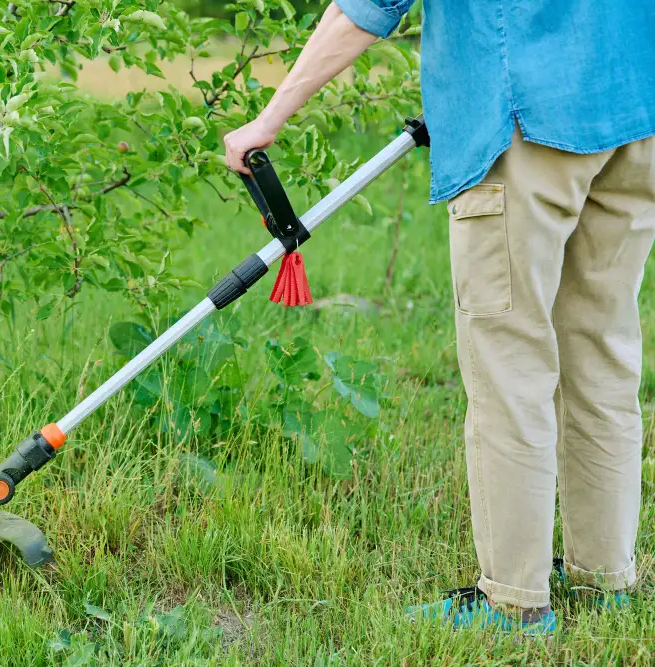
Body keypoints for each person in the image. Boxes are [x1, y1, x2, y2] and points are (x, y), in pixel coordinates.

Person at [225, 0, 655, 634]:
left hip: (523, 123)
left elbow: (370, 6)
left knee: (510, 366)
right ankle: (604, 580)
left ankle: (514, 601)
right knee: (604, 351)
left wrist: (268, 118)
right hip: (632, 116)